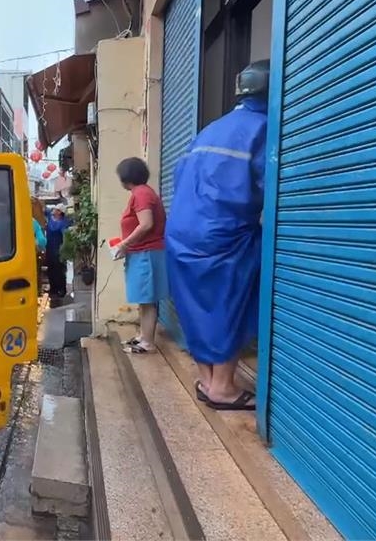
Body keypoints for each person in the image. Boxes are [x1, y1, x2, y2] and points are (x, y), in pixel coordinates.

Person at [164, 59, 269, 411]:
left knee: (195, 309)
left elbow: (180, 179)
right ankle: (222, 387)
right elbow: (273, 187)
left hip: (181, 232)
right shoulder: (264, 128)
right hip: (222, 235)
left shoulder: (210, 130)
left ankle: (207, 381)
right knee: (230, 305)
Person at [110, 157, 168, 354]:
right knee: (143, 299)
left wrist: (124, 244)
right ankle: (143, 336)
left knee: (147, 299)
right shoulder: (140, 193)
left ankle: (148, 343)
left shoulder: (142, 193)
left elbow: (146, 224)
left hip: (146, 253)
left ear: (126, 176)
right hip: (141, 252)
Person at [44, 205, 70, 298]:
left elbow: (65, 236)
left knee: (60, 270)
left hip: (59, 249)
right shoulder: (50, 218)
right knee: (51, 269)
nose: (53, 210)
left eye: (55, 209)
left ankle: (61, 289)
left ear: (59, 212)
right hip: (50, 248)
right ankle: (53, 289)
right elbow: (43, 208)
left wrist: (65, 249)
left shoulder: (63, 223)